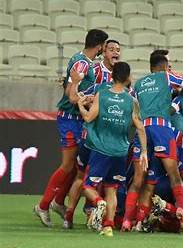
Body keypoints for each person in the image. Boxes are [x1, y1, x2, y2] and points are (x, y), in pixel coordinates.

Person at [34, 29, 109, 227]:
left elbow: (73, 88)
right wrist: (86, 98)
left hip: (77, 119)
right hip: (70, 119)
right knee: (68, 165)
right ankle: (42, 206)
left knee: (77, 167)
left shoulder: (82, 60)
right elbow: (71, 95)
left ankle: (58, 202)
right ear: (100, 45)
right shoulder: (82, 63)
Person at [132, 52, 183, 232]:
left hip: (143, 132)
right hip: (162, 129)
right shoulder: (168, 77)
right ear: (164, 66)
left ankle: (135, 221)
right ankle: (180, 207)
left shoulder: (138, 84)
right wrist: (180, 85)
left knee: (145, 182)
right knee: (174, 174)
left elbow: (132, 106)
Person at [77, 61, 148, 237]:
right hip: (120, 152)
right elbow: (140, 127)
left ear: (112, 76)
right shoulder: (132, 101)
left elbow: (88, 118)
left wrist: (80, 104)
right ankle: (108, 226)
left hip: (101, 149)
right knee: (112, 189)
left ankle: (99, 203)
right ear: (127, 77)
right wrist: (144, 151)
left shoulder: (101, 95)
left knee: (87, 186)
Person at [63, 39, 122, 229]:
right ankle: (76, 215)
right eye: (111, 49)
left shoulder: (120, 79)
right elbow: (74, 96)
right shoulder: (95, 72)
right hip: (96, 136)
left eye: (118, 50)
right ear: (103, 52)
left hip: (101, 136)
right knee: (87, 177)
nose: (115, 53)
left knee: (91, 178)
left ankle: (90, 212)